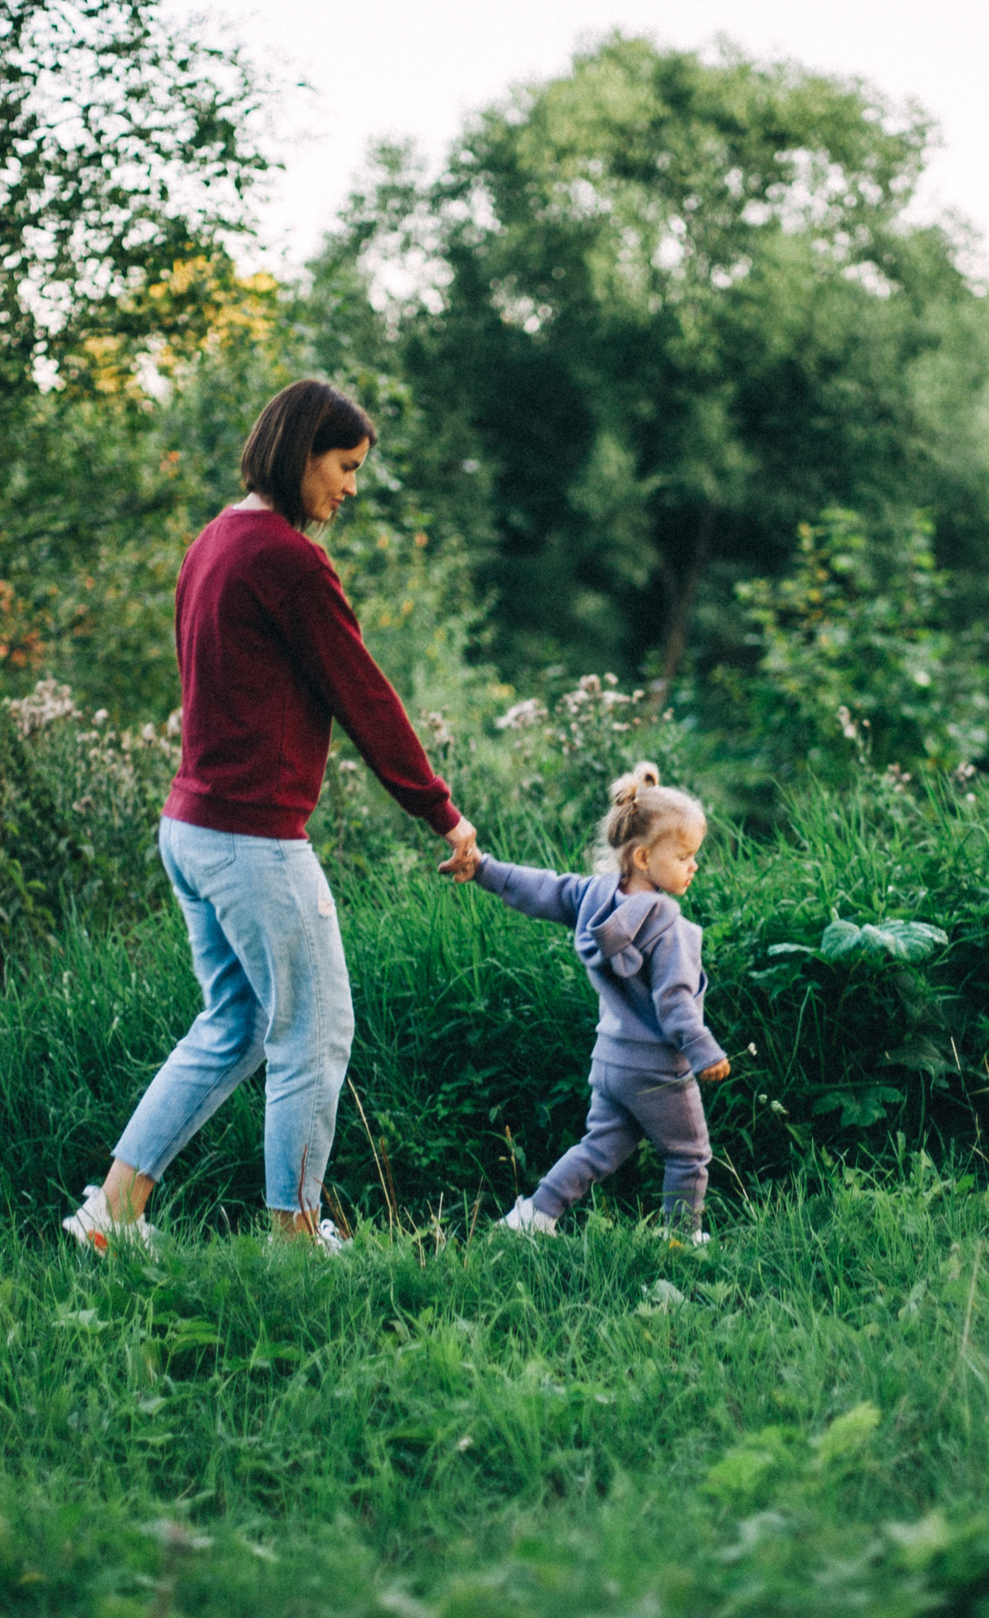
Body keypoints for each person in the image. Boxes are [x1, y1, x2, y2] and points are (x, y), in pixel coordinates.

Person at [63, 379, 479, 1255]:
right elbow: (364, 695)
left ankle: (112, 1214)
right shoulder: (289, 561)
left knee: (236, 1024)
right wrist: (440, 811)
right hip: (251, 840)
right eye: (344, 466)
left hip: (192, 828)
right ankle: (294, 1239)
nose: (351, 488)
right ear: (300, 454)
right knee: (314, 1033)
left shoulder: (214, 539)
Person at [468, 763, 730, 1241]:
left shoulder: (593, 896)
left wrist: (484, 869)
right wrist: (703, 1050)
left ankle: (534, 1217)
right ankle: (681, 1240)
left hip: (610, 1060)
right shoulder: (670, 927)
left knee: (600, 1147)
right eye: (685, 855)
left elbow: (541, 888)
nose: (694, 865)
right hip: (657, 1068)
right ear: (644, 857)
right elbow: (674, 1001)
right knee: (689, 1155)